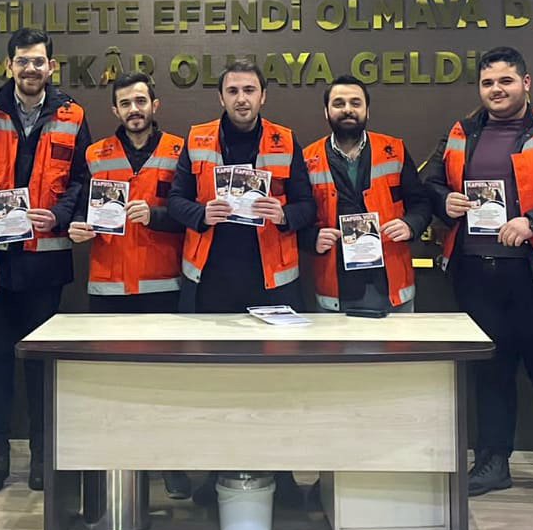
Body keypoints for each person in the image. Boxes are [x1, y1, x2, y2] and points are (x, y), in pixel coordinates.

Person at [423, 46, 533, 521]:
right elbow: (432, 182)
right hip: (477, 273)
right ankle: (492, 463)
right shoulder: (460, 132)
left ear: (526, 83)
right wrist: (446, 201)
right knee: (491, 374)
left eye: (505, 81)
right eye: (488, 83)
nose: (496, 90)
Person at [167, 59, 316, 507]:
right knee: (217, 385)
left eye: (249, 90)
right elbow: (174, 200)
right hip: (211, 281)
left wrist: (285, 214)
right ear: (221, 97)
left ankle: (282, 477)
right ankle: (216, 475)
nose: (241, 99)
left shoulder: (285, 139)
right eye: (233, 91)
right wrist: (201, 213)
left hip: (272, 282)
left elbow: (308, 205)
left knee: (276, 385)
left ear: (263, 95)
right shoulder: (197, 139)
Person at [0, 29, 90, 495]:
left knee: (41, 366)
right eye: (22, 61)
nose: (30, 69)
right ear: (9, 65)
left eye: (38, 61)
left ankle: (41, 456)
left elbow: (83, 180)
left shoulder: (73, 115)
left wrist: (59, 215)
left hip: (45, 264)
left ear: (51, 66)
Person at [68, 71, 191, 499]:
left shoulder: (180, 150)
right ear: (115, 110)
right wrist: (76, 227)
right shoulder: (95, 153)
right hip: (109, 286)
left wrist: (156, 216)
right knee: (113, 384)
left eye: (141, 101)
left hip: (163, 285)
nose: (134, 109)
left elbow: (191, 213)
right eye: (125, 103)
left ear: (155, 105)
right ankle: (119, 462)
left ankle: (171, 464)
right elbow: (79, 206)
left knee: (166, 385)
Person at [300, 75, 433, 314]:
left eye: (355, 103)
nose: (347, 109)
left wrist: (410, 225)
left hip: (392, 286)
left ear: (367, 111)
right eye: (339, 103)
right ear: (326, 112)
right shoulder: (307, 159)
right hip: (336, 290)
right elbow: (299, 214)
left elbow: (421, 203)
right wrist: (312, 238)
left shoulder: (394, 151)